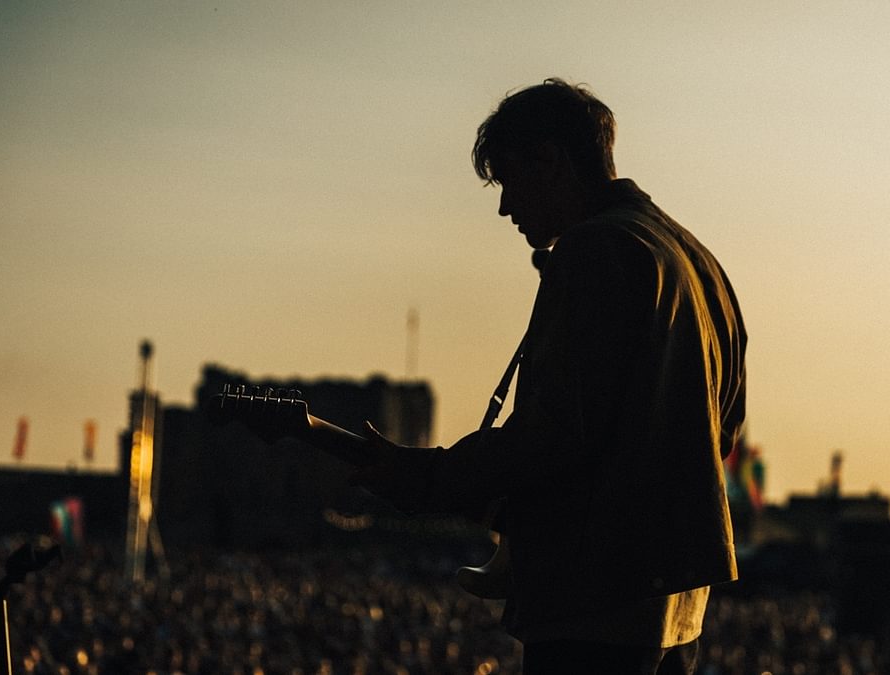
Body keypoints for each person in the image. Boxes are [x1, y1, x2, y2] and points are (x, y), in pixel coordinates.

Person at [300, 78, 747, 674]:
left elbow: (553, 435)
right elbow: (725, 429)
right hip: (674, 608)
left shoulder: (597, 250)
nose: (507, 208)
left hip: (594, 601)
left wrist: (430, 479)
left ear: (550, 161)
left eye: (509, 183)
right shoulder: (698, 260)